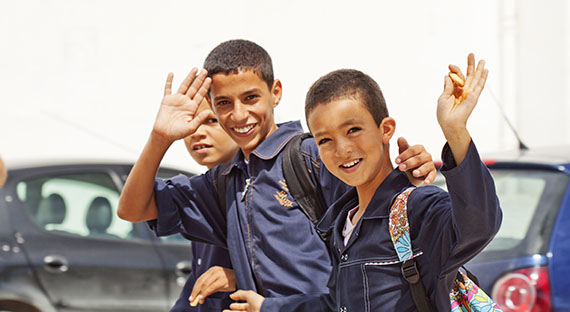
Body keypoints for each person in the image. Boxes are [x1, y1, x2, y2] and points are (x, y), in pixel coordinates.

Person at [117, 39, 436, 310]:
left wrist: (409, 170)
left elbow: (379, 211)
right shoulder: (226, 180)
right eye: (224, 103)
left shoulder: (311, 157)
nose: (239, 114)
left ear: (276, 92)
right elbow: (133, 209)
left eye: (251, 98)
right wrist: (160, 138)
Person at [225, 54, 502, 311]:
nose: (342, 149)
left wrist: (455, 131)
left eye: (353, 130)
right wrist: (267, 307)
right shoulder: (341, 227)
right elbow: (334, 305)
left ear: (386, 129)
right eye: (325, 140)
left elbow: (478, 225)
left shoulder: (415, 208)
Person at [170, 99, 239, 311]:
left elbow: (297, 274)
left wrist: (239, 278)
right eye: (190, 122)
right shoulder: (201, 193)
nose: (197, 132)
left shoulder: (255, 191)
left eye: (211, 120)